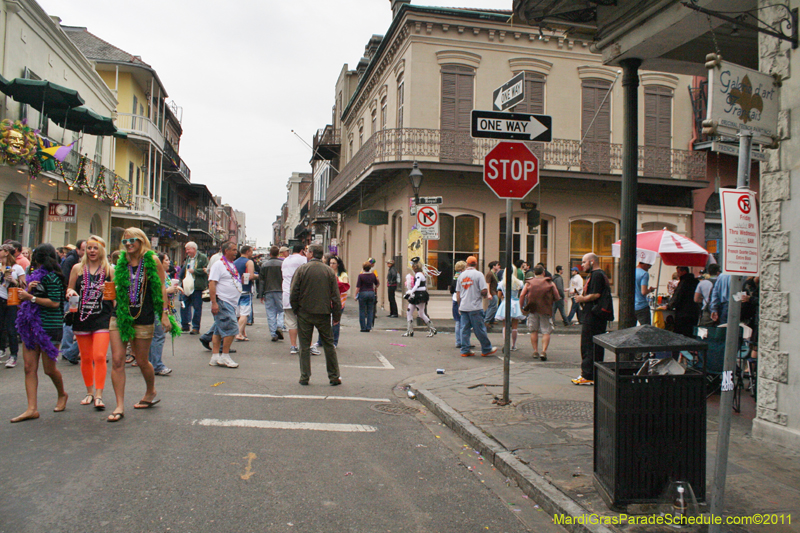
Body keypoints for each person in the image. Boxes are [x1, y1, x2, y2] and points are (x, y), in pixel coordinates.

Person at [107, 228, 176, 422]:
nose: (128, 244)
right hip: (120, 315)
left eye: (133, 240)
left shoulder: (151, 260)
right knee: (118, 360)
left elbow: (161, 286)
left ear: (141, 241)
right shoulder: (121, 262)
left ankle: (150, 391)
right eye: (125, 241)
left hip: (143, 315)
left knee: (142, 360)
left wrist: (164, 314)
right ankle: (119, 405)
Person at [10, 244, 68, 422]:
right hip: (30, 326)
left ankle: (62, 394)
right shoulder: (32, 276)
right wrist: (27, 291)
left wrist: (31, 297)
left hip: (50, 327)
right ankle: (31, 408)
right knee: (29, 368)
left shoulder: (54, 278)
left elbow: (55, 303)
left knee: (49, 369)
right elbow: (28, 301)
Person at [65, 235, 115, 411]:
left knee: (100, 356)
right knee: (85, 358)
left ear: (101, 250)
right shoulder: (77, 268)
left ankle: (99, 395)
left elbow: (116, 298)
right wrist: (70, 293)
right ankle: (89, 392)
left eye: (95, 248)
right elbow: (69, 288)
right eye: (89, 248)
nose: (92, 251)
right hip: (81, 317)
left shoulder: (109, 270)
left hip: (102, 317)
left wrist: (108, 290)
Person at [290, 244, 342, 386]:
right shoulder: (329, 272)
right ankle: (333, 376)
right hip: (324, 312)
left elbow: (294, 291)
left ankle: (304, 376)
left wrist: (296, 309)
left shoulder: (302, 270)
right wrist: (336, 316)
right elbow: (335, 297)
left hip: (305, 312)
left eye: (307, 252)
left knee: (304, 346)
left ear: (311, 254)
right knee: (329, 345)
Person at [572, 253, 610, 386]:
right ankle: (592, 373)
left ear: (592, 262)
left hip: (594, 316)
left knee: (588, 344)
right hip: (595, 315)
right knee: (593, 345)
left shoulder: (597, 275)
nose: (582, 265)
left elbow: (596, 294)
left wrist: (582, 299)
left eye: (584, 262)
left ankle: (588, 375)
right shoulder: (597, 274)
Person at [208, 242, 243, 369]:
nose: (236, 252)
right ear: (226, 251)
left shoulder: (231, 265)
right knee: (232, 328)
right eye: (233, 250)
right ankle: (225, 355)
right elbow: (212, 283)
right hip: (223, 301)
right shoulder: (218, 265)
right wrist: (214, 302)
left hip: (231, 302)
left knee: (218, 329)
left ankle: (215, 356)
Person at [147, 253, 182, 377]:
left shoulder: (165, 274)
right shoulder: (155, 274)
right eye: (166, 260)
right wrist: (169, 291)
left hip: (160, 307)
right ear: (159, 262)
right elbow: (154, 291)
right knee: (158, 335)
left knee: (155, 336)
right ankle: (156, 365)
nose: (169, 262)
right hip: (156, 307)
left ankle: (151, 363)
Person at [456, 256, 496, 357]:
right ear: (476, 264)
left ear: (467, 263)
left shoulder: (461, 276)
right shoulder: (479, 275)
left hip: (464, 306)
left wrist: (459, 305)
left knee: (464, 329)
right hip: (475, 307)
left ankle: (465, 350)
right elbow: (483, 290)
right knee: (479, 329)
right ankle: (486, 349)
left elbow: (458, 293)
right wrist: (484, 296)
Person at [519, 265, 560, 360]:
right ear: (543, 272)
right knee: (546, 331)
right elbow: (557, 296)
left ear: (534, 272)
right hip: (545, 309)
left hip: (532, 309)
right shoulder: (549, 282)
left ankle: (535, 351)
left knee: (534, 330)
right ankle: (544, 351)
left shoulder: (529, 282)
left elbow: (522, 295)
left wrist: (521, 307)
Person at [59, 239, 86, 364]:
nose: (87, 252)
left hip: (78, 297)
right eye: (84, 250)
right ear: (77, 250)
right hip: (73, 297)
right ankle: (67, 350)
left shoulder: (79, 261)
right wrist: (69, 293)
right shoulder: (71, 261)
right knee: (70, 321)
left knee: (76, 323)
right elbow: (66, 280)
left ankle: (70, 351)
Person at [1, 243, 25, 368]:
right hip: (0, 298)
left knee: (11, 328)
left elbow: (24, 286)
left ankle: (13, 355)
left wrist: (13, 281)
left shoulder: (17, 268)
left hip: (11, 300)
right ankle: (1, 349)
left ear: (6, 252)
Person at [658, 266, 699, 338]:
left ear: (683, 271)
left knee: (681, 334)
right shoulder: (696, 282)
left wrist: (669, 306)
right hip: (694, 312)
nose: (677, 274)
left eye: (678, 272)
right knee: (691, 334)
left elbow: (677, 296)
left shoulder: (683, 282)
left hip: (683, 312)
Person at [282, 244, 308, 355]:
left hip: (287, 293)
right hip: (301, 294)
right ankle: (308, 345)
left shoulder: (285, 261)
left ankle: (293, 345)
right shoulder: (304, 260)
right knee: (305, 322)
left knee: (291, 322)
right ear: (303, 251)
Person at [403, 258, 436, 338]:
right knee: (409, 311)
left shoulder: (419, 275)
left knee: (421, 313)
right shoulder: (420, 274)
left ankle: (432, 329)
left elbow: (417, 285)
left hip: (420, 295)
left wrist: (410, 292)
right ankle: (409, 330)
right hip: (417, 294)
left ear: (415, 267)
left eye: (413, 266)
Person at [179, 241, 208, 335]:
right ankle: (185, 325)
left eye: (188, 249)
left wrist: (194, 271)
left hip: (197, 287)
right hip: (187, 286)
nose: (186, 251)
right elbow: (184, 269)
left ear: (194, 249)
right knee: (184, 305)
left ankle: (196, 327)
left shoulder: (202, 257)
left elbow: (206, 270)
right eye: (186, 249)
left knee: (197, 307)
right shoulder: (188, 258)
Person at [494, 266, 525, 351]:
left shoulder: (502, 283)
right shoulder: (519, 282)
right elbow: (521, 294)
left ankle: (506, 343)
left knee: (505, 325)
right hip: (516, 303)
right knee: (515, 326)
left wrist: (503, 297)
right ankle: (514, 345)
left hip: (506, 303)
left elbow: (499, 295)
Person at [258, 246, 285, 342]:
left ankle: (273, 333)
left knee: (270, 312)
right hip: (280, 290)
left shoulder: (264, 265)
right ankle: (279, 325)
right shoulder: (282, 264)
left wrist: (260, 294)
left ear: (270, 254)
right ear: (278, 253)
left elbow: (261, 281)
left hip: (268, 290)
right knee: (282, 310)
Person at [234, 245, 257, 341]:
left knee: (238, 313)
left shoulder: (234, 262)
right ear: (247, 251)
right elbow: (250, 276)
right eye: (251, 251)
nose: (252, 254)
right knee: (245, 313)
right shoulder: (249, 262)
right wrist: (258, 276)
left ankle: (242, 332)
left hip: (236, 290)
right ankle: (238, 333)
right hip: (246, 289)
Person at [355, 261, 379, 332]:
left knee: (362, 310)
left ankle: (363, 327)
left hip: (363, 293)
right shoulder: (372, 275)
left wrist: (355, 295)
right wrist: (374, 288)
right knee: (370, 310)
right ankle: (369, 326)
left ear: (363, 268)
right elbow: (377, 283)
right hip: (371, 293)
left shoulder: (361, 276)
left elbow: (358, 287)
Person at [449, 261, 467, 349]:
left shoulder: (455, 277)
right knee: (463, 322)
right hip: (462, 299)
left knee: (458, 321)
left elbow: (452, 289)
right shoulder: (463, 277)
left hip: (455, 299)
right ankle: (463, 341)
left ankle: (458, 341)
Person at [634, 261, 656, 326]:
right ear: (645, 264)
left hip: (631, 306)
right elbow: (643, 292)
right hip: (641, 305)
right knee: (646, 329)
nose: (648, 268)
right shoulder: (644, 274)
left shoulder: (631, 271)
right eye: (649, 266)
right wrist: (650, 290)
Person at [484, 261, 500, 329]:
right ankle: (486, 321)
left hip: (494, 292)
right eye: (498, 265)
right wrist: (489, 293)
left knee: (492, 306)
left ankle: (489, 319)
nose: (499, 266)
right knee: (493, 307)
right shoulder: (490, 274)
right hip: (492, 292)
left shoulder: (494, 274)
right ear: (493, 266)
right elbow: (488, 284)